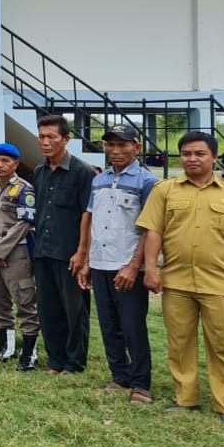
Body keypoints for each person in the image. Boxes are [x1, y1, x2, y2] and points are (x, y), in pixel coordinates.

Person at [139, 131, 224, 428]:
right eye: (186, 154)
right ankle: (186, 399)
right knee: (180, 342)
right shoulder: (165, 191)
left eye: (199, 153)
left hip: (218, 282)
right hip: (176, 282)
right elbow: (153, 231)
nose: (192, 159)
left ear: (213, 157)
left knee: (223, 344)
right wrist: (150, 270)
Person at [78, 124, 158, 402]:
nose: (115, 150)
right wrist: (86, 260)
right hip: (100, 264)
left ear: (136, 148)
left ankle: (141, 384)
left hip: (127, 267)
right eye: (110, 145)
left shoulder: (147, 182)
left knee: (132, 326)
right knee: (109, 325)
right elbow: (91, 220)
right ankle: (120, 377)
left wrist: (134, 266)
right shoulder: (98, 180)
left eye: (123, 145)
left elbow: (151, 229)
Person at [32, 114, 94, 374]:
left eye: (52, 137)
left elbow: (87, 216)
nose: (45, 142)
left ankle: (74, 362)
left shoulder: (82, 172)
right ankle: (56, 360)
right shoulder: (39, 171)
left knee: (75, 311)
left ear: (66, 139)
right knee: (48, 310)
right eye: (42, 137)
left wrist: (82, 254)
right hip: (43, 250)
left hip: (70, 253)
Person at [0, 143, 39, 371]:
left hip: (16, 252)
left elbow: (25, 223)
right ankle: (5, 348)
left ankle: (29, 354)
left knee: (25, 301)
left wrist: (0, 250)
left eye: (5, 161)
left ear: (16, 164)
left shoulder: (24, 189)